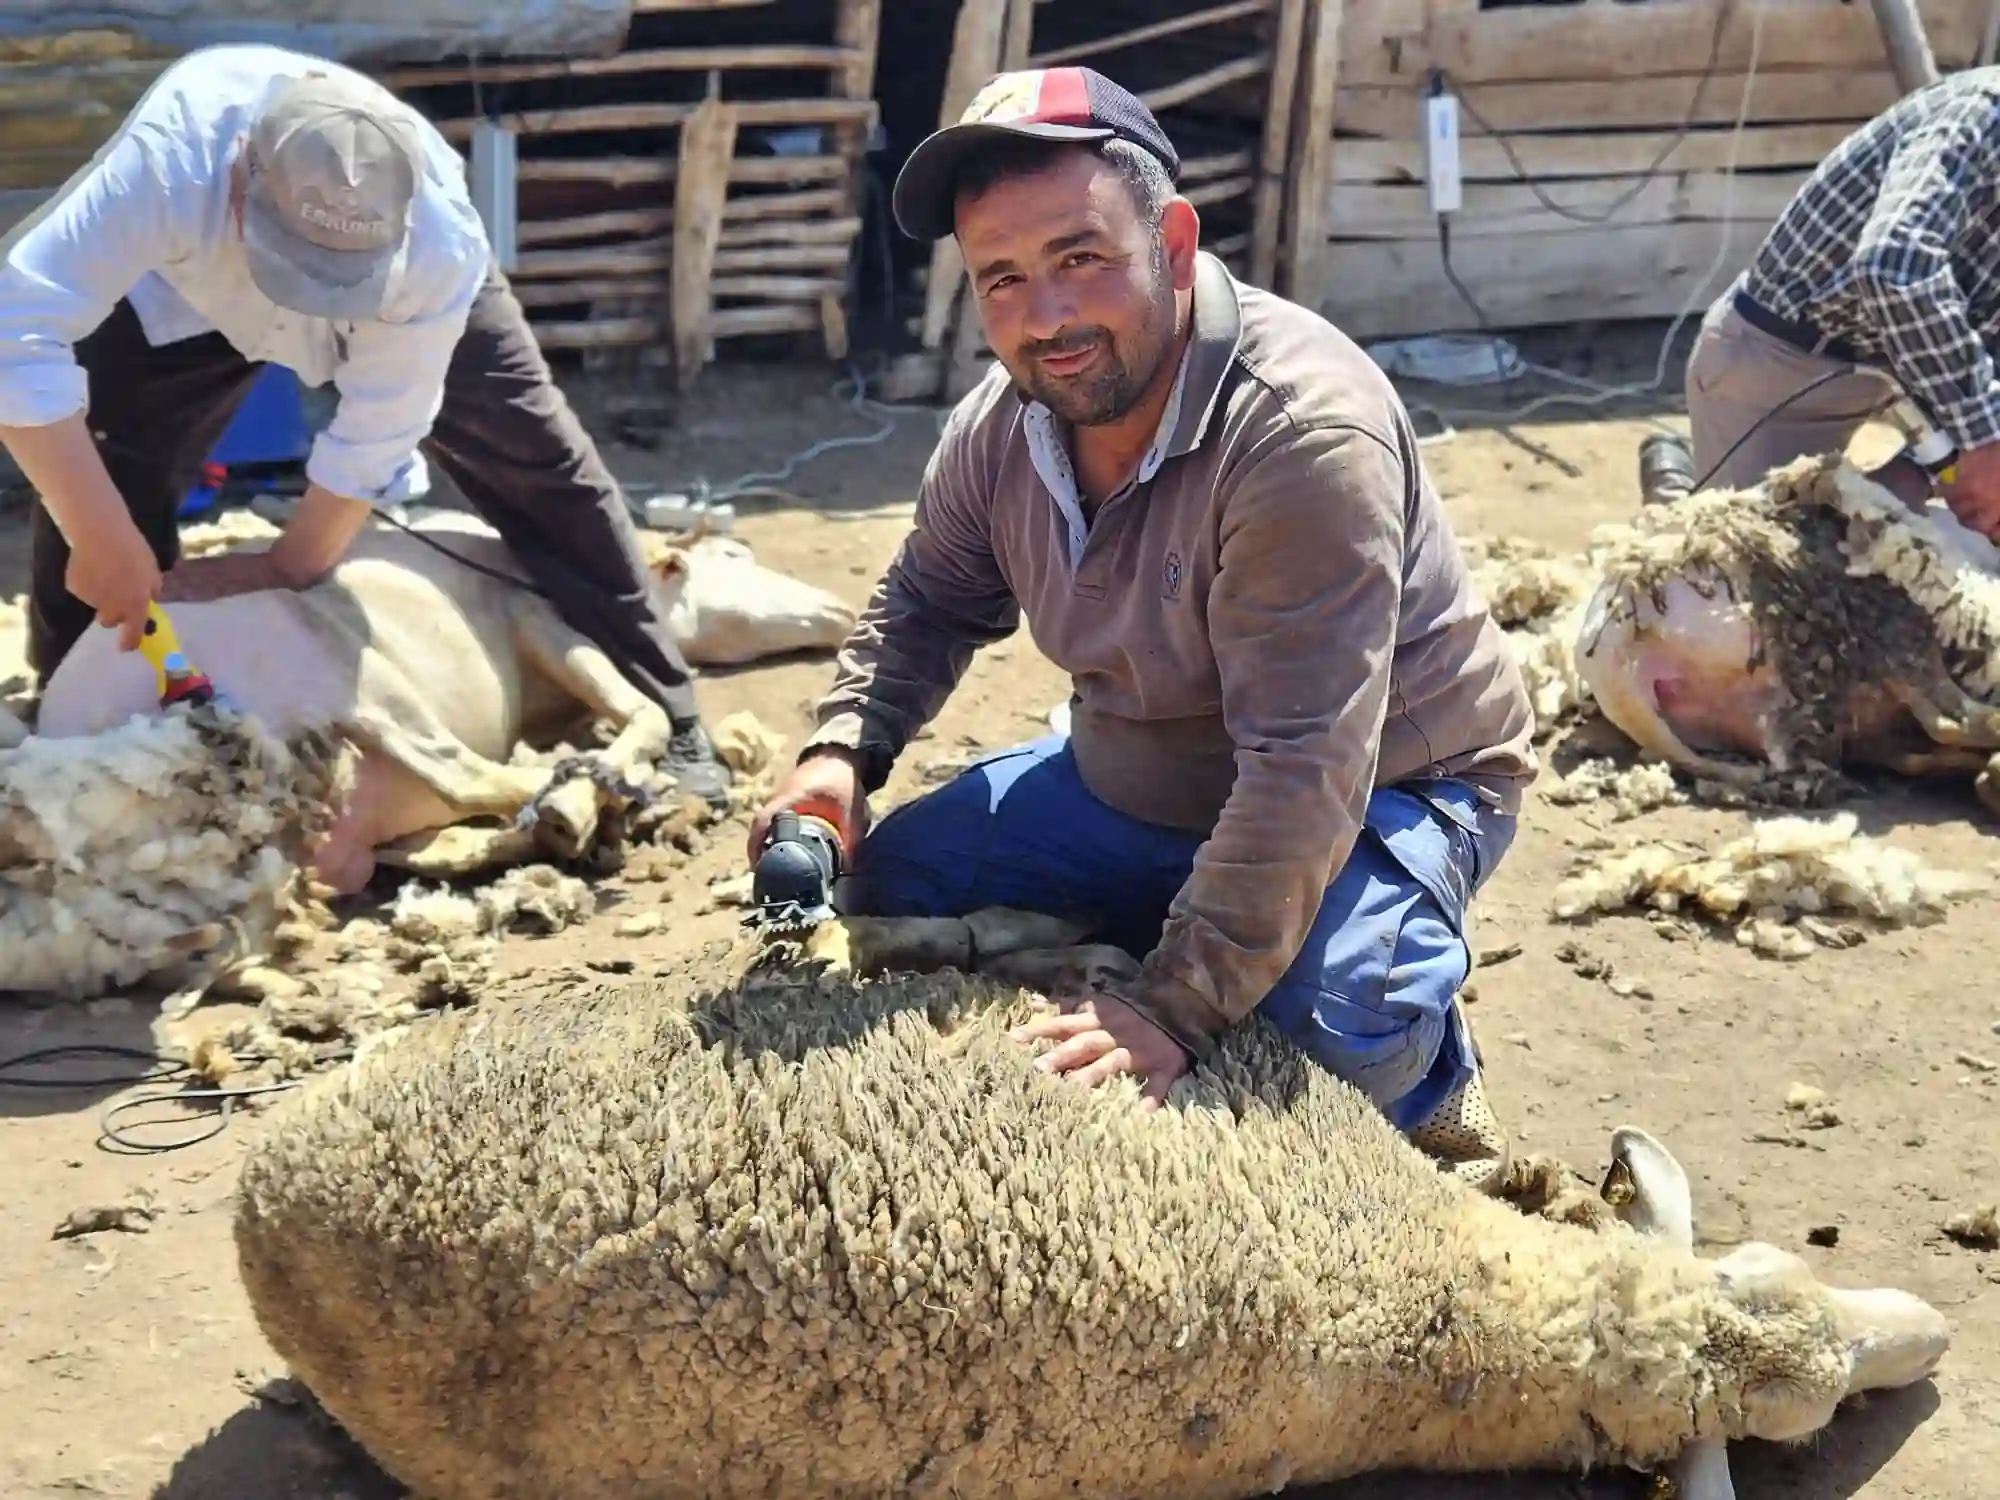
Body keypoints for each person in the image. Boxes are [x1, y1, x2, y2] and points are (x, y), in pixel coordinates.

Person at [748, 66, 1539, 1183]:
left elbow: (1303, 763)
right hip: (1139, 770)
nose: (1047, 317)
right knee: (888, 890)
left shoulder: (1300, 436)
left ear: (1170, 242)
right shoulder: (1006, 423)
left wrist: (1169, 1008)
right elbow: (927, 598)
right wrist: (839, 756)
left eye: (1080, 258)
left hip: (1382, 785)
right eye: (1004, 279)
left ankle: (1429, 1067)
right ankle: (1187, 920)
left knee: (1326, 1029)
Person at [0, 41, 731, 806]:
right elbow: (19, 328)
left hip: (391, 300)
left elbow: (381, 427)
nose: (307, 295)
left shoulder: (437, 244)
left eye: (333, 271)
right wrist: (99, 530)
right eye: (296, 263)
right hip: (185, 297)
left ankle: (672, 714)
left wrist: (292, 563)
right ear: (239, 187)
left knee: (543, 465)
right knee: (106, 464)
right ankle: (72, 722)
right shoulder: (169, 164)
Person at [1658, 67, 2000, 535]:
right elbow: (1893, 267)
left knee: (1892, 562)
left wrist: (1921, 468)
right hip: (1780, 362)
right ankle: (1673, 495)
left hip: (1900, 373)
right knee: (1742, 577)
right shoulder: (1981, 113)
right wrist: (1984, 439)